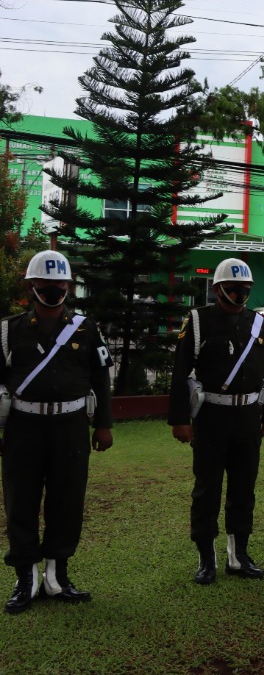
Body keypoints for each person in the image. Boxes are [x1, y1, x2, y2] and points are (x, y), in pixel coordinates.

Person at [1, 251, 113, 615]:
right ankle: (26, 579)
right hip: (22, 427)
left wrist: (104, 424)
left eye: (60, 283)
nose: (53, 289)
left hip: (70, 426)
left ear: (69, 286)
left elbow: (101, 380)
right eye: (45, 283)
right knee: (20, 501)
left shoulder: (87, 328)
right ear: (31, 286)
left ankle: (57, 576)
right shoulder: (8, 330)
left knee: (67, 501)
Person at [169, 257, 264, 585]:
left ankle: (238, 555)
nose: (240, 292)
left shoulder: (258, 323)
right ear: (217, 289)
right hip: (212, 417)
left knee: (244, 488)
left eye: (245, 287)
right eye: (233, 287)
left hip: (248, 417)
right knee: (207, 489)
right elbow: (180, 371)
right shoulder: (198, 321)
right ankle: (207, 558)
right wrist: (180, 419)